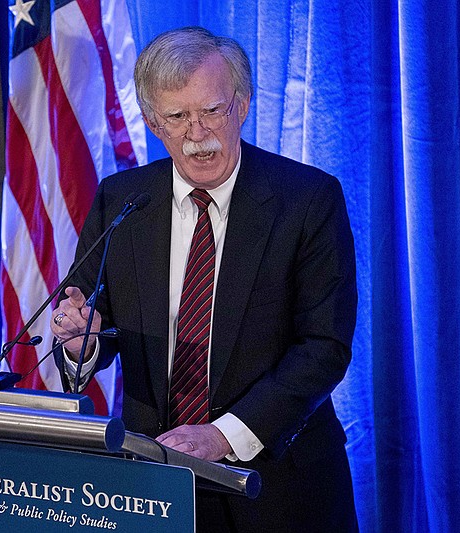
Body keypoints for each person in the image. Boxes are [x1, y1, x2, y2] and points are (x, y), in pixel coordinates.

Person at [50, 26, 358, 532]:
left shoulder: (307, 201)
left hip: (279, 484)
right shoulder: (122, 201)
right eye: (177, 117)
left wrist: (223, 437)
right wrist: (79, 344)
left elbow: (323, 347)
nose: (197, 133)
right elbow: (91, 324)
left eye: (212, 110)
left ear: (242, 104)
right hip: (155, 483)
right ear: (152, 122)